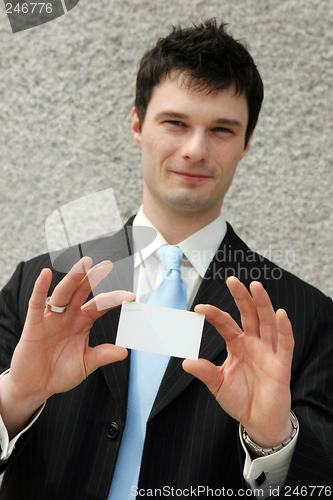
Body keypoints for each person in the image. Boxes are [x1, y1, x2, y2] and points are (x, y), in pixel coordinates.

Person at [0, 19, 332, 500]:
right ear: (137, 125)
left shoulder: (302, 314)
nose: (195, 150)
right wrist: (16, 398)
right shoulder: (45, 283)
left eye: (221, 129)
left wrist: (273, 443)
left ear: (248, 142)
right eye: (175, 123)